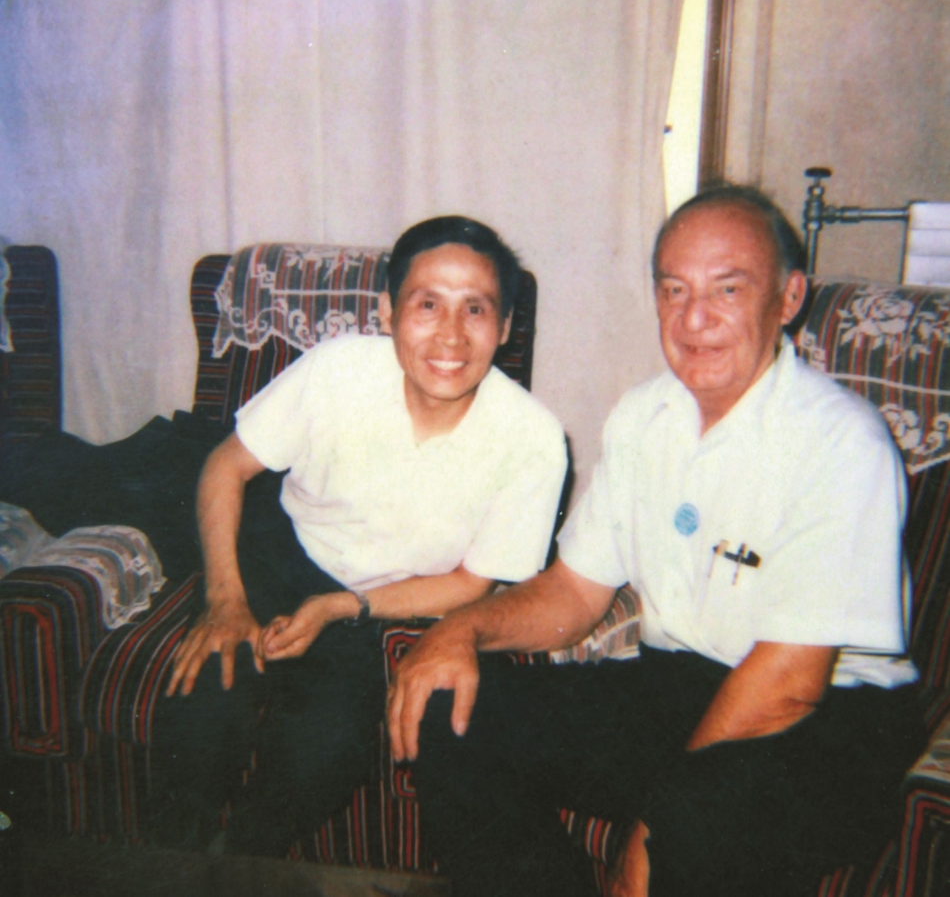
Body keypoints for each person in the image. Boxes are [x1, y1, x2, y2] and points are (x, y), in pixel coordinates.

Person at [387, 187, 925, 897]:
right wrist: (461, 630)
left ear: (789, 297)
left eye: (727, 289)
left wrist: (654, 824)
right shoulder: (645, 417)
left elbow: (791, 682)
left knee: (693, 825)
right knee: (453, 711)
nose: (694, 318)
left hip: (827, 719)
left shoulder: (841, 441)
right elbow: (574, 592)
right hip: (679, 686)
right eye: (674, 290)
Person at [151, 216, 568, 855]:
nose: (451, 334)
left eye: (475, 309)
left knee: (328, 748)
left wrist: (341, 606)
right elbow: (225, 466)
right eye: (427, 305)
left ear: (506, 326)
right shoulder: (339, 368)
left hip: (377, 604)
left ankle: (238, 866)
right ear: (387, 313)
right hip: (281, 549)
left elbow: (471, 582)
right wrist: (225, 598)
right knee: (204, 697)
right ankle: (168, 862)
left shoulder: (534, 440)